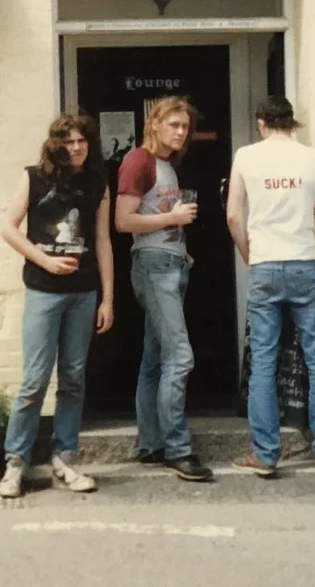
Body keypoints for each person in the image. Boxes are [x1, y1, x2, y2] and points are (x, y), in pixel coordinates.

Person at [0, 113, 115, 499]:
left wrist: (107, 297)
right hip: (44, 290)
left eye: (82, 141)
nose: (76, 148)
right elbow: (9, 228)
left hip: (83, 294)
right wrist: (44, 261)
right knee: (33, 380)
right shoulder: (34, 177)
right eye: (69, 142)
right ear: (56, 144)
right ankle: (16, 462)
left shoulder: (98, 184)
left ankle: (65, 458)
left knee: (73, 379)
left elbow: (102, 241)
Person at [224, 96, 315, 478]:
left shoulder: (246, 156)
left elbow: (232, 214)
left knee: (263, 359)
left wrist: (249, 252)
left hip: (265, 263)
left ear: (261, 123)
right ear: (293, 124)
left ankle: (266, 454)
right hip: (305, 262)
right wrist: (299, 213)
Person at [114, 96, 212, 482]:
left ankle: (151, 443)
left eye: (185, 126)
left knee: (155, 360)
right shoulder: (138, 160)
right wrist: (172, 218)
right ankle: (178, 449)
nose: (180, 131)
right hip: (155, 268)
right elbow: (123, 221)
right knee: (180, 356)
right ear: (153, 123)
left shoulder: (166, 164)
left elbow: (155, 218)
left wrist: (179, 246)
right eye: (173, 124)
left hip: (170, 263)